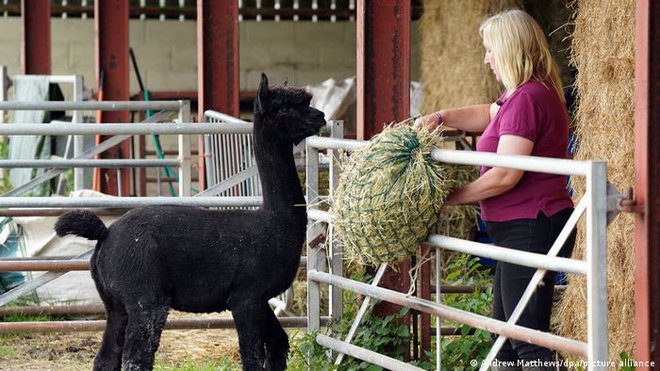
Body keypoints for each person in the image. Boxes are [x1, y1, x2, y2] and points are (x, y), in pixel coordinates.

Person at [415, 9, 576, 370]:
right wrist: (441, 117)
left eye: (489, 49)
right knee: (505, 341)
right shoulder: (519, 95)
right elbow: (488, 114)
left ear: (508, 48)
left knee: (526, 340)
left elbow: (506, 175)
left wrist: (449, 199)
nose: (486, 59)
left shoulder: (528, 98)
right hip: (520, 229)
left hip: (531, 225)